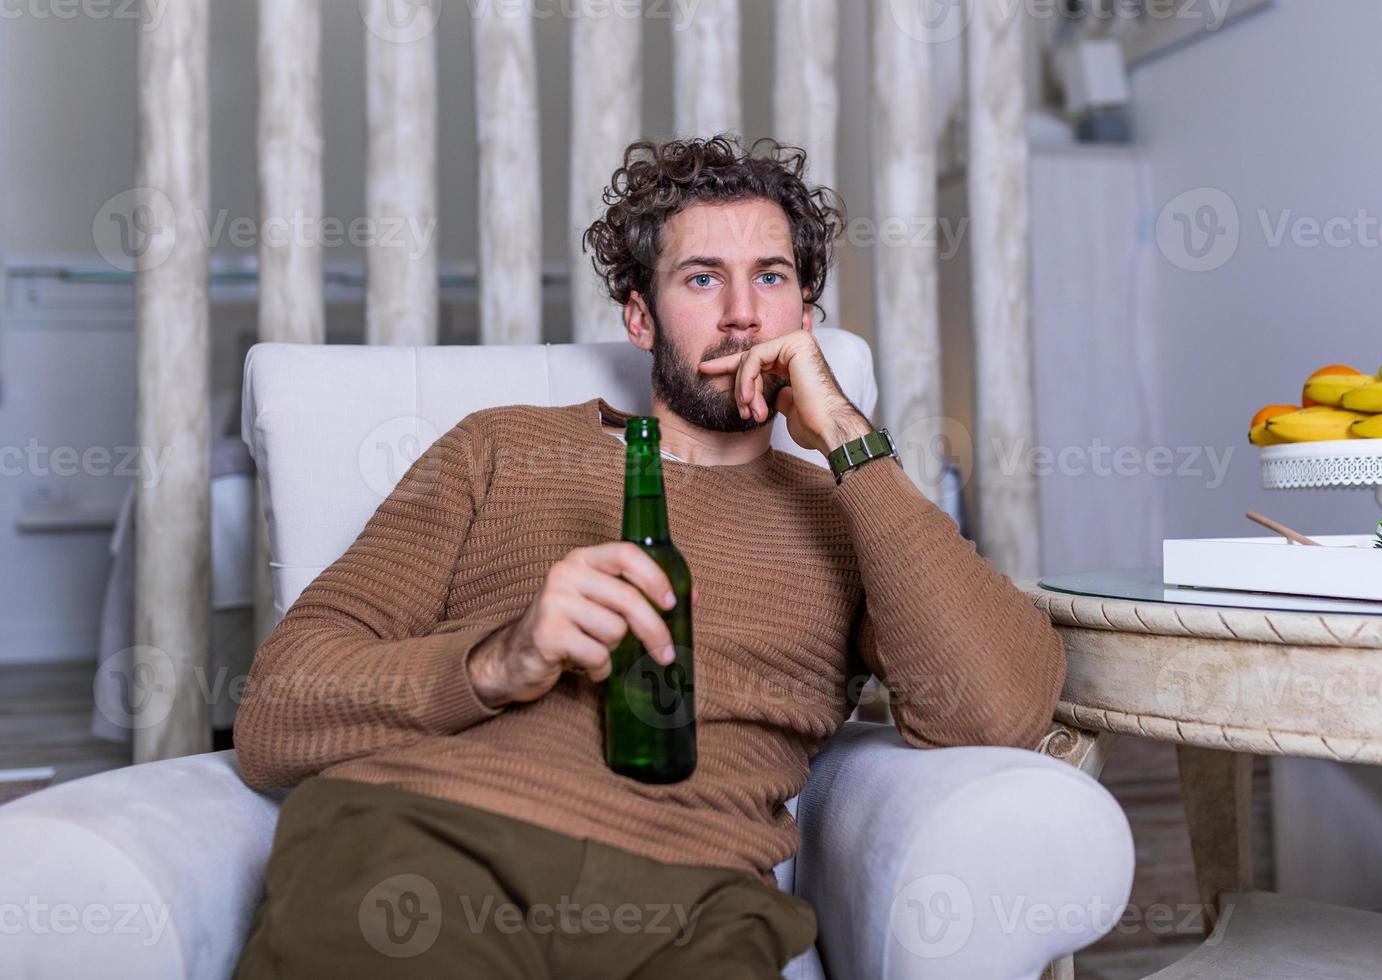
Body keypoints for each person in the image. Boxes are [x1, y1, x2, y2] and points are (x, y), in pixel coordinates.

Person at [231, 135, 1066, 979]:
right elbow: (274, 714)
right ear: (641, 317)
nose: (742, 312)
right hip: (425, 843)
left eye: (771, 278)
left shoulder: (850, 517)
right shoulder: (495, 449)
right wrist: (496, 662)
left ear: (805, 320)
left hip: (695, 901)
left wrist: (851, 442)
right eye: (702, 278)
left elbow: (998, 713)